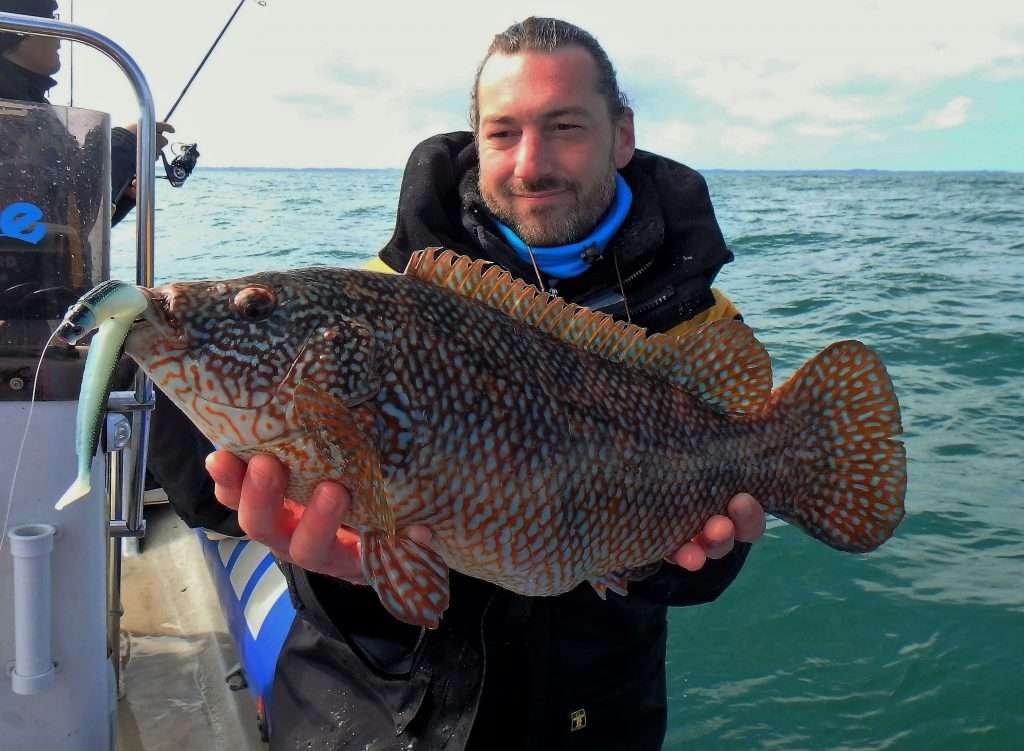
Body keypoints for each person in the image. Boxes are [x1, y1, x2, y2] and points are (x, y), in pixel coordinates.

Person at [160, 16, 767, 751]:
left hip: (597, 720)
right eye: (503, 132)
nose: (530, 162)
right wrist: (341, 576)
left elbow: (703, 555)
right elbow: (223, 488)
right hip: (375, 716)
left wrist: (688, 554)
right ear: (476, 139)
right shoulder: (386, 296)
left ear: (623, 133)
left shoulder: (692, 319)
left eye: (565, 126)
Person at [0, 0, 173, 226]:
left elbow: (67, 228)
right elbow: (50, 216)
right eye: (51, 18)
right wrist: (125, 145)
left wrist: (122, 195)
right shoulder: (12, 113)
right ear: (20, 29)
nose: (60, 34)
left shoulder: (32, 106)